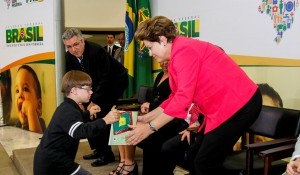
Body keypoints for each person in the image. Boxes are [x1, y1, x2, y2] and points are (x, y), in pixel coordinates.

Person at [125, 16, 262, 175]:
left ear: (162, 40)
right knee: (194, 157)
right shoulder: (177, 53)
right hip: (221, 108)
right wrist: (147, 118)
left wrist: (150, 128)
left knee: (204, 162)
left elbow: (183, 98)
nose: (149, 53)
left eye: (150, 47)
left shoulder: (184, 51)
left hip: (240, 104)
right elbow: (175, 97)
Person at [62, 28, 128, 167]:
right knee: (88, 113)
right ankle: (98, 149)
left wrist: (94, 101)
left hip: (114, 82)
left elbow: (104, 79)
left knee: (99, 111)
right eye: (69, 46)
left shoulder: (96, 51)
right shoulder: (68, 56)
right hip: (92, 87)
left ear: (82, 41)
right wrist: (78, 101)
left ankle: (107, 154)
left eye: (76, 44)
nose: (73, 49)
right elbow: (73, 79)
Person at [33, 70, 121, 175]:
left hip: (56, 160)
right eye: (87, 89)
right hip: (53, 164)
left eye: (91, 89)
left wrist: (88, 113)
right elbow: (80, 131)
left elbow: (72, 122)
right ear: (74, 90)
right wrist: (105, 120)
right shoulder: (68, 110)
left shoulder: (68, 107)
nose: (91, 92)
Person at [110, 61, 187, 175]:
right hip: (154, 112)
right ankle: (124, 161)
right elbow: (156, 96)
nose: (164, 64)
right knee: (121, 120)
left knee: (127, 125)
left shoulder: (177, 77)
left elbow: (171, 102)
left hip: (168, 118)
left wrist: (150, 107)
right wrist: (147, 103)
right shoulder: (160, 75)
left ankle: (130, 164)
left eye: (167, 61)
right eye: (161, 62)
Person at [14, 65, 45, 134]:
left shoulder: (40, 124)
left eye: (25, 89)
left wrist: (30, 110)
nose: (20, 95)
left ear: (39, 106)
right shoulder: (17, 125)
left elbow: (36, 142)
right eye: (17, 91)